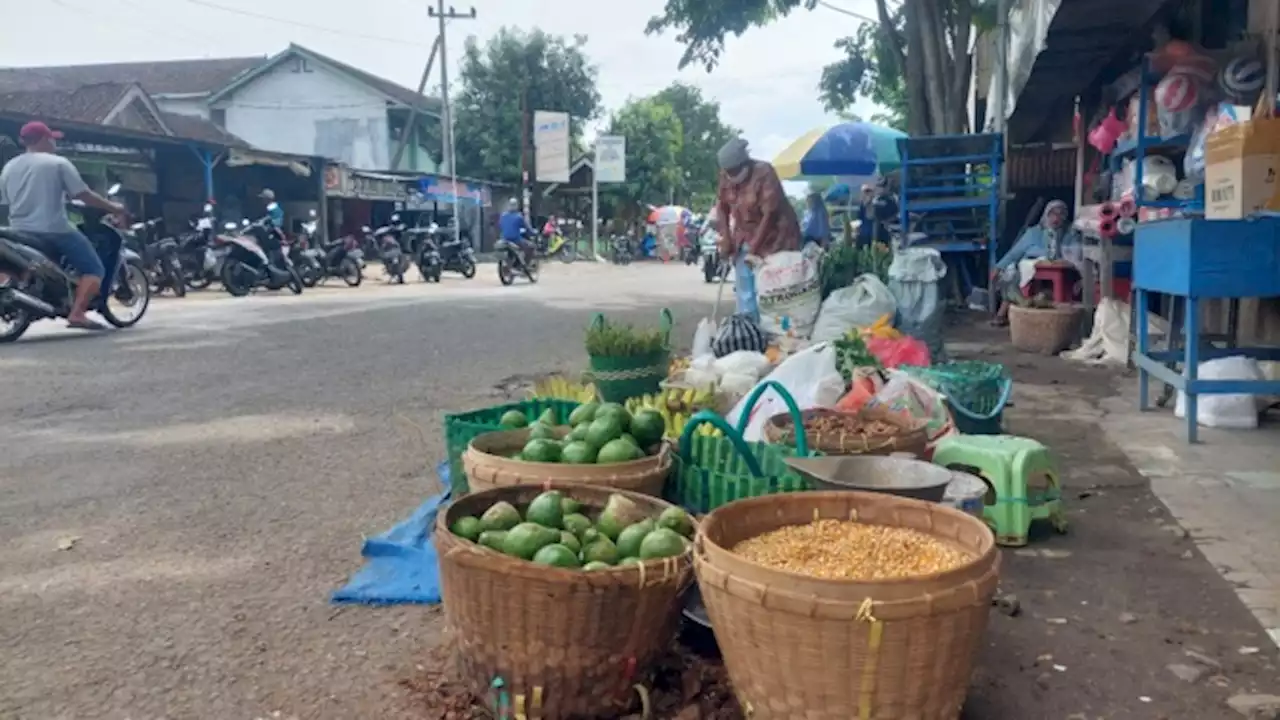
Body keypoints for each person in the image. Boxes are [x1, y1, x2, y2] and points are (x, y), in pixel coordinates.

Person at [0, 121, 127, 330]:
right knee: (94, 268)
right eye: (52, 139)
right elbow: (84, 195)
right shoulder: (58, 163)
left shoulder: (9, 167)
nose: (54, 143)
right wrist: (114, 207)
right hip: (54, 230)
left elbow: (7, 201)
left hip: (19, 231)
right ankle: (77, 314)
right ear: (44, 139)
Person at [714, 137, 801, 319]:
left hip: (774, 238)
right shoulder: (725, 176)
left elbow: (769, 215)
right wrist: (726, 237)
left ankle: (771, 331)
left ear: (745, 163)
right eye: (728, 172)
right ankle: (748, 328)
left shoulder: (764, 172)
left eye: (735, 171)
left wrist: (754, 250)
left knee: (770, 288)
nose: (732, 176)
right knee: (745, 287)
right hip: (744, 235)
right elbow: (722, 207)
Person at [990, 199, 1074, 326]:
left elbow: (1073, 253)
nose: (1056, 218)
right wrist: (998, 267)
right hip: (1028, 266)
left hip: (1056, 271)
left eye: (1061, 214)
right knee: (1013, 277)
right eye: (1053, 214)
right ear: (1046, 214)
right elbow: (1015, 253)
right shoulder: (1034, 232)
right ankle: (1010, 310)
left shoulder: (1068, 233)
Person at [498, 198, 534, 265]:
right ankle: (524, 266)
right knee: (531, 246)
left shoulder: (503, 215)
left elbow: (500, 226)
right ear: (516, 206)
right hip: (515, 240)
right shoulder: (518, 216)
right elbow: (527, 227)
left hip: (504, 239)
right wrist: (533, 233)